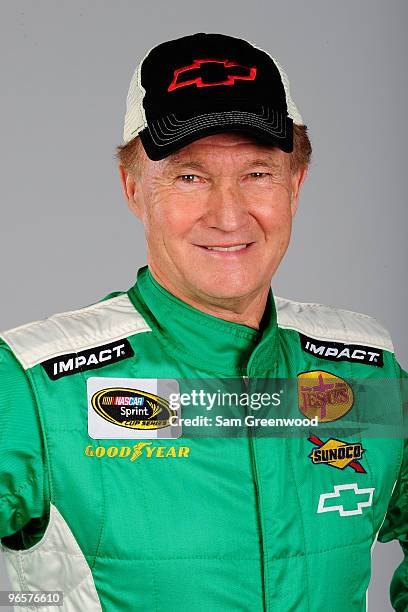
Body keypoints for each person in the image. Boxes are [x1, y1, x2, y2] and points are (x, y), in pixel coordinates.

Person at [0, 32, 406, 612]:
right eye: (190, 177)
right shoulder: (33, 385)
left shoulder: (369, 373)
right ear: (134, 188)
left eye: (258, 174)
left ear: (296, 185)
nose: (228, 214)